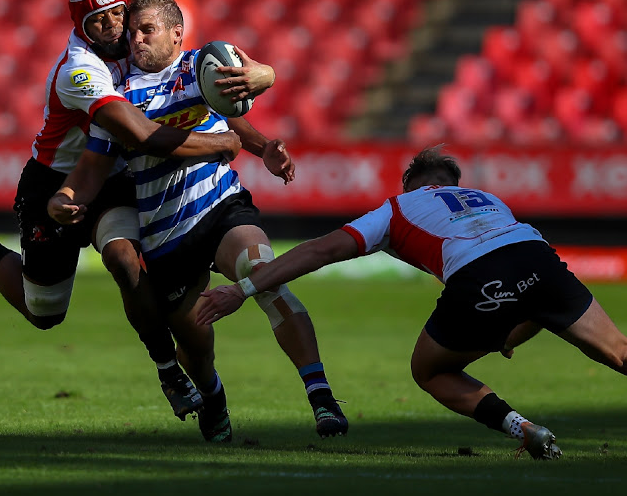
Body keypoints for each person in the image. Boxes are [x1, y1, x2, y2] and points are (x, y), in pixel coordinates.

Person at [0, 0, 273, 424]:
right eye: (99, 20)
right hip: (55, 185)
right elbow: (139, 132)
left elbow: (202, 89)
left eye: (119, 12)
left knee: (122, 258)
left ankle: (168, 370)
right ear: (80, 27)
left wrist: (265, 77)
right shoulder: (80, 68)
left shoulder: (140, 48)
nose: (114, 26)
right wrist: (220, 146)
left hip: (110, 179)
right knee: (44, 314)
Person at [49, 0, 348, 442]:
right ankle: (214, 396)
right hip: (164, 232)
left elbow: (238, 103)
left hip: (219, 206)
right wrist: (67, 195)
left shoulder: (201, 66)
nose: (136, 40)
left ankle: (321, 396)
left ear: (176, 33)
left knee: (262, 271)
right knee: (195, 344)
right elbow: (93, 165)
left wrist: (264, 144)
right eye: (132, 32)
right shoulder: (117, 90)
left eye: (146, 30)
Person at [197, 144, 627, 459]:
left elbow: (320, 251)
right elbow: (535, 292)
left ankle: (523, 427)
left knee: (429, 369)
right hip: (540, 257)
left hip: (479, 276)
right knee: (618, 350)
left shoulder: (397, 207)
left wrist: (242, 289)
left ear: (412, 186)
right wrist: (513, 331)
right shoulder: (488, 200)